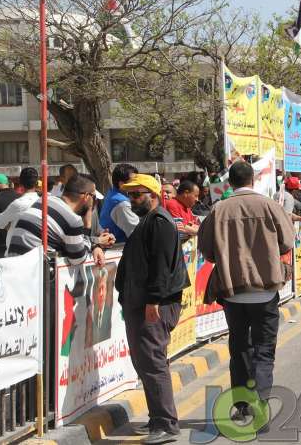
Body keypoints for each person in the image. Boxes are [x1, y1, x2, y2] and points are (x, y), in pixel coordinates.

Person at [199, 161, 294, 424]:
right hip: (265, 292)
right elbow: (287, 241)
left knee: (239, 348)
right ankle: (260, 401)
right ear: (253, 179)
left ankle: (241, 404)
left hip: (232, 291)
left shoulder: (218, 210)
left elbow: (206, 251)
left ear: (230, 182)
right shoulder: (270, 206)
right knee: (264, 350)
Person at [113, 174, 188, 443]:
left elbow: (160, 267)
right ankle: (158, 418)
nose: (133, 199)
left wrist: (153, 301)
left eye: (138, 194)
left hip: (154, 305)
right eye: (130, 195)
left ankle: (165, 424)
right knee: (146, 362)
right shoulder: (149, 222)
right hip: (142, 302)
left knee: (153, 363)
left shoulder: (159, 223)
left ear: (153, 195)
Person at [8, 174, 113, 265]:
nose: (94, 203)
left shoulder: (44, 201)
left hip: (15, 265)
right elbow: (77, 258)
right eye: (94, 198)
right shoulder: (72, 220)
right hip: (35, 273)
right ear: (86, 196)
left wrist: (93, 244)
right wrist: (96, 240)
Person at [0, 167, 41, 252]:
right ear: (36, 182)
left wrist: (9, 225)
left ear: (20, 183)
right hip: (38, 251)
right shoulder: (43, 203)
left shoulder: (18, 204)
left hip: (17, 252)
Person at [100, 163, 140, 243]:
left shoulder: (112, 193)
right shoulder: (121, 203)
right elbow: (136, 233)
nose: (137, 183)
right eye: (133, 181)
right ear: (122, 184)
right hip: (119, 248)